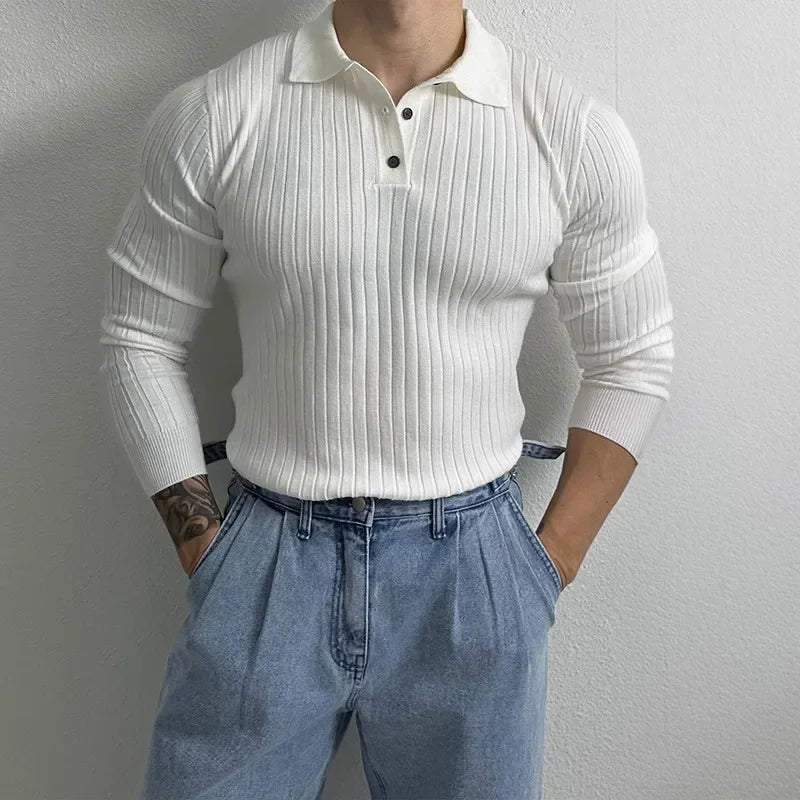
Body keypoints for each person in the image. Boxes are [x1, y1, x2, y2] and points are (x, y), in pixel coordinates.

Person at [99, 0, 674, 797]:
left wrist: (544, 567)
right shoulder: (217, 113)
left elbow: (633, 357)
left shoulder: (569, 131)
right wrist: (207, 547)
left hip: (474, 574)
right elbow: (138, 337)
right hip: (268, 562)